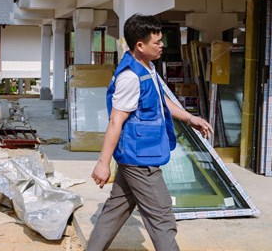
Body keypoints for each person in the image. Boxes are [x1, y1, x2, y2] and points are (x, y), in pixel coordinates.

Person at [86, 14, 212, 251]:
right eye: (157, 42)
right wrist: (103, 163)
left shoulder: (147, 67)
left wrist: (189, 117)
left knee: (116, 210)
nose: (162, 45)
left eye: (161, 40)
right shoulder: (130, 77)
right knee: (162, 217)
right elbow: (116, 121)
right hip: (140, 159)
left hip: (139, 153)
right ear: (140, 45)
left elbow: (160, 99)